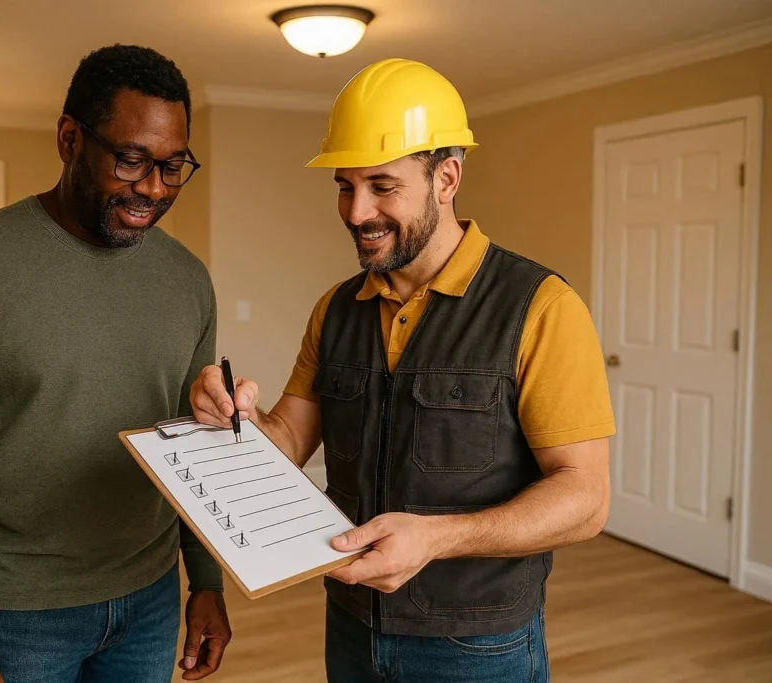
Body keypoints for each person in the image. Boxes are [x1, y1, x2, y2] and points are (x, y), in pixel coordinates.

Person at [189, 58, 614, 682]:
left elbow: (585, 499)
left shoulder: (541, 307)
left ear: (447, 178)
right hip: (351, 625)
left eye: (382, 186)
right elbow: (286, 440)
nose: (357, 212)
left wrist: (436, 539)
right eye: (344, 185)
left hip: (477, 644)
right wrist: (231, 419)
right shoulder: (336, 309)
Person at [0, 44, 231, 683]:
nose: (152, 188)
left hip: (149, 598)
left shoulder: (188, 281)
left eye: (173, 166)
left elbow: (193, 440)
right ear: (70, 138)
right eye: (131, 160)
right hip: (12, 612)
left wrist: (204, 581)